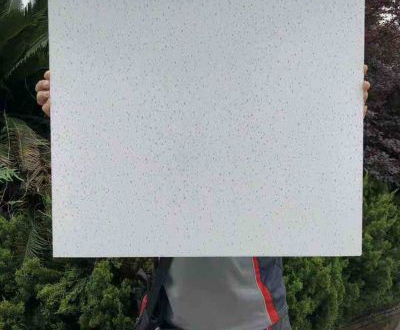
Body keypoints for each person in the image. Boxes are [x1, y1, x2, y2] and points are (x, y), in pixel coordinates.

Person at [35, 66, 371, 330]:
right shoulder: (159, 152)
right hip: (171, 321)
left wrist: (338, 113)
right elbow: (111, 165)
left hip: (260, 323)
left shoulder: (264, 151)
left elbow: (308, 161)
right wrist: (73, 118)